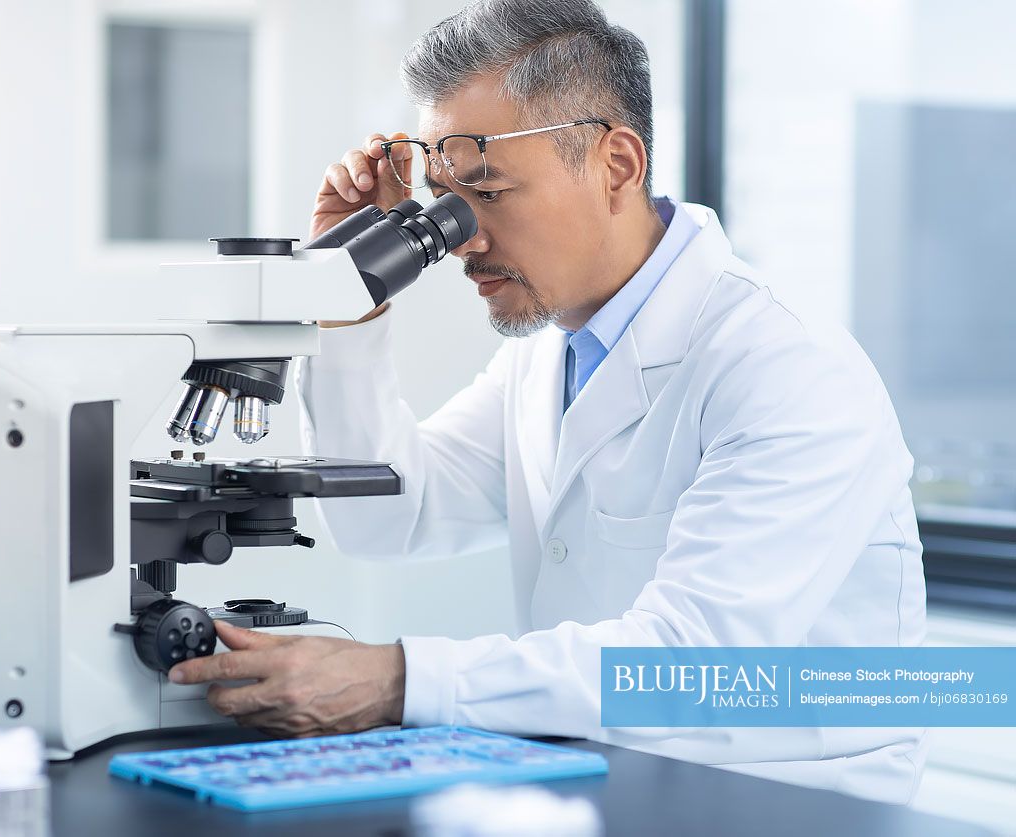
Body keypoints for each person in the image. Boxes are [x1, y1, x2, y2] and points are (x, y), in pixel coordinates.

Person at [169, 0, 927, 804]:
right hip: (602, 779)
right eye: (442, 202)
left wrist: (398, 679)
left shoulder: (783, 366)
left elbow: (697, 663)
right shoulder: (547, 354)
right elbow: (386, 518)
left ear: (616, 164)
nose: (458, 238)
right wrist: (347, 300)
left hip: (788, 802)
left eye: (487, 191)